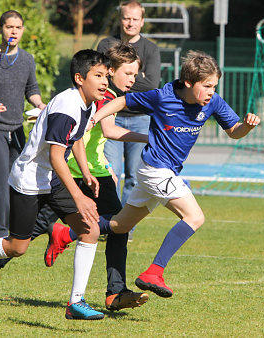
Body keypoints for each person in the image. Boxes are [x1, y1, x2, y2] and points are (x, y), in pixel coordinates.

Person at [50, 50, 261, 298]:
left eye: (214, 86)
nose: (211, 91)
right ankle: (154, 272)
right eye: (207, 86)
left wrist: (246, 126)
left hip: (162, 172)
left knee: (119, 225)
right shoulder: (163, 97)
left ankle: (66, 233)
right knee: (194, 217)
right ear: (189, 83)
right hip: (155, 170)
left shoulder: (213, 102)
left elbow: (234, 131)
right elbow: (123, 101)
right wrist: (95, 118)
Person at [0, 49, 109, 320]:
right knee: (17, 247)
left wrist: (86, 172)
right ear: (80, 78)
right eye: (98, 76)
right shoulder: (66, 108)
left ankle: (76, 303)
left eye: (106, 76)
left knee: (90, 230)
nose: (105, 81)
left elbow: (77, 139)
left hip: (52, 180)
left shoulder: (89, 103)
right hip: (29, 181)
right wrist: (79, 197)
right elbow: (57, 156)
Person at [45, 42, 150, 311]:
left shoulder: (107, 93)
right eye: (128, 73)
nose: (133, 79)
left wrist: (104, 165)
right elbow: (110, 131)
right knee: (23, 236)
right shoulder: (103, 95)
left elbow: (92, 139)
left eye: (135, 75)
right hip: (72, 173)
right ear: (110, 70)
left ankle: (115, 293)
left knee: (119, 227)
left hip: (95, 173)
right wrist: (153, 138)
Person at [0, 10, 59, 297]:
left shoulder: (27, 59)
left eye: (17, 27)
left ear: (23, 30)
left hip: (18, 130)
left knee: (13, 189)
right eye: (8, 27)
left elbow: (32, 89)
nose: (13, 31)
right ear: (1, 29)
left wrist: (41, 106)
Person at [97, 0, 161, 241]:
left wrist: (130, 79)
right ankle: (108, 223)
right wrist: (139, 79)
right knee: (111, 174)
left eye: (135, 19)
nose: (130, 22)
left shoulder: (151, 49)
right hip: (110, 118)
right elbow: (104, 77)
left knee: (135, 177)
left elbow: (152, 86)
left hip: (142, 119)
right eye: (126, 18)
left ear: (142, 21)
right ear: (120, 19)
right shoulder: (107, 44)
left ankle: (124, 228)